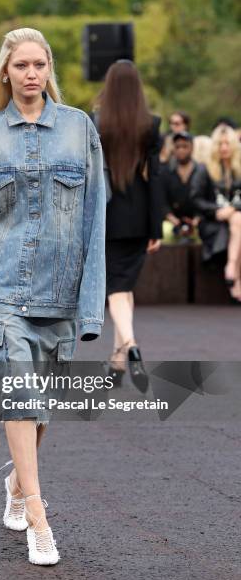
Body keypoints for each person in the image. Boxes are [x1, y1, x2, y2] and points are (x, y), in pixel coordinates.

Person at [0, 28, 107, 565]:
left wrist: (89, 306)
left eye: (39, 64)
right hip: (1, 290)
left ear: (49, 69)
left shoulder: (79, 129)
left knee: (39, 411)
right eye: (21, 66)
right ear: (6, 72)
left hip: (58, 294)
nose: (31, 74)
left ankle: (17, 481)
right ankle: (39, 516)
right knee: (18, 390)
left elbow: (94, 221)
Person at [95, 59, 163, 392]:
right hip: (139, 218)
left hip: (107, 217)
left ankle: (130, 346)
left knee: (117, 289)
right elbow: (155, 179)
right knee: (123, 288)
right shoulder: (151, 125)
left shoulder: (97, 124)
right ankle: (118, 361)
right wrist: (156, 228)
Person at [191, 124, 241, 302]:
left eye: (227, 143)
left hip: (236, 220)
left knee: (237, 219)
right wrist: (216, 211)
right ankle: (236, 278)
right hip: (213, 223)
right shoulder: (205, 169)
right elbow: (195, 199)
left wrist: (233, 209)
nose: (224, 147)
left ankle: (232, 270)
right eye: (220, 144)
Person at [162, 132, 201, 242]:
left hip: (197, 221)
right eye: (178, 147)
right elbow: (160, 200)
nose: (181, 150)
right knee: (165, 233)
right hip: (171, 221)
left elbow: (207, 198)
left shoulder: (201, 171)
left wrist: (197, 219)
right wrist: (171, 218)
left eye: (185, 146)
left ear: (192, 147)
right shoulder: (166, 171)